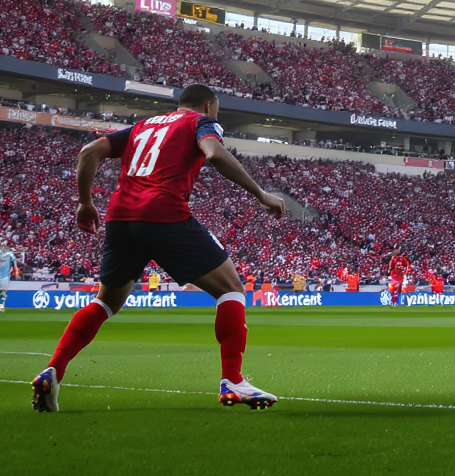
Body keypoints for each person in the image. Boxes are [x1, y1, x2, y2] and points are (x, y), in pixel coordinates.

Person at [31, 84, 287, 413]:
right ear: (208, 107)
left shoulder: (142, 126)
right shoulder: (199, 122)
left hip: (121, 219)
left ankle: (53, 369)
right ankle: (233, 380)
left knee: (105, 303)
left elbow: (88, 152)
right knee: (231, 290)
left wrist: (85, 202)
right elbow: (214, 152)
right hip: (165, 214)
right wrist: (261, 194)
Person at [0, 239, 16, 312]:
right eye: (1, 245)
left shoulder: (10, 253)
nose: (3, 246)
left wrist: (16, 270)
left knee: (3, 290)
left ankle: (2, 305)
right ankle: (1, 303)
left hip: (6, 274)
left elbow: (14, 261)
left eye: (4, 245)